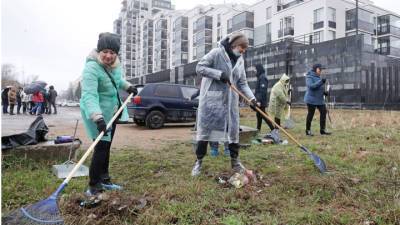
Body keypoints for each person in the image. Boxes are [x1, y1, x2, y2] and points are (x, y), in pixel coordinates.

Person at [191, 32, 257, 176]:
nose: (243, 51)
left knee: (233, 132)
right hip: (212, 101)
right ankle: (198, 162)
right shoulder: (216, 53)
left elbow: (242, 83)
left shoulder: (240, 60)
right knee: (205, 133)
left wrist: (252, 99)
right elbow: (199, 67)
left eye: (245, 48)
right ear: (234, 45)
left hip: (231, 102)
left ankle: (235, 163)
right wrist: (219, 74)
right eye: (242, 47)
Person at [80, 32, 138, 196]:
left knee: (106, 146)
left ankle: (104, 179)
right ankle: (94, 185)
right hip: (95, 113)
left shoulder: (115, 65)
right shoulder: (91, 68)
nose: (108, 56)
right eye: (105, 51)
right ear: (99, 51)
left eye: (112, 52)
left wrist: (128, 87)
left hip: (111, 111)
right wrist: (97, 118)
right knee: (101, 147)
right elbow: (89, 95)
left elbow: (117, 80)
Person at [304, 63, 331, 136]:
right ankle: (308, 130)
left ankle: (322, 130)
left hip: (319, 100)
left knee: (323, 112)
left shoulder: (318, 76)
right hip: (311, 100)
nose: (321, 71)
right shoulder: (309, 76)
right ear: (315, 69)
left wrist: (324, 92)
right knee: (311, 114)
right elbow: (312, 86)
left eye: (321, 69)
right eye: (320, 69)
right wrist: (321, 81)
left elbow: (319, 88)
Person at [254, 64, 269, 131]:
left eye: (255, 69)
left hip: (261, 101)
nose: (254, 71)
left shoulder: (262, 77)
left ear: (258, 69)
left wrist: (259, 101)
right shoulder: (260, 77)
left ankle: (273, 128)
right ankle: (258, 129)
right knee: (259, 115)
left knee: (264, 115)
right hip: (259, 100)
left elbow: (262, 90)